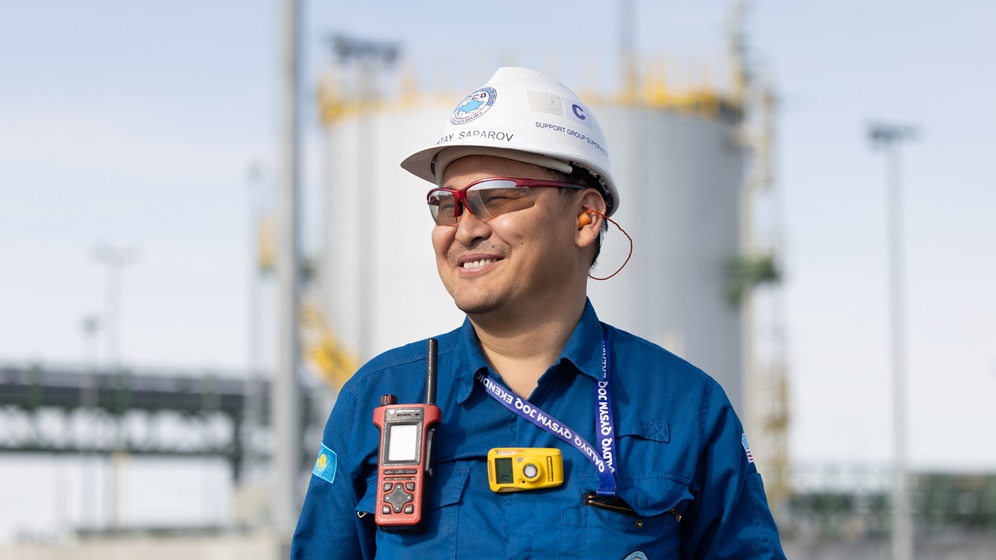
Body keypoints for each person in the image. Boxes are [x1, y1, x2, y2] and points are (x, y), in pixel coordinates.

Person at [292, 66, 786, 559]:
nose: (464, 229)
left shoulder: (685, 407)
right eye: (447, 204)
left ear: (586, 217)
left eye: (495, 197)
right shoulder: (374, 399)